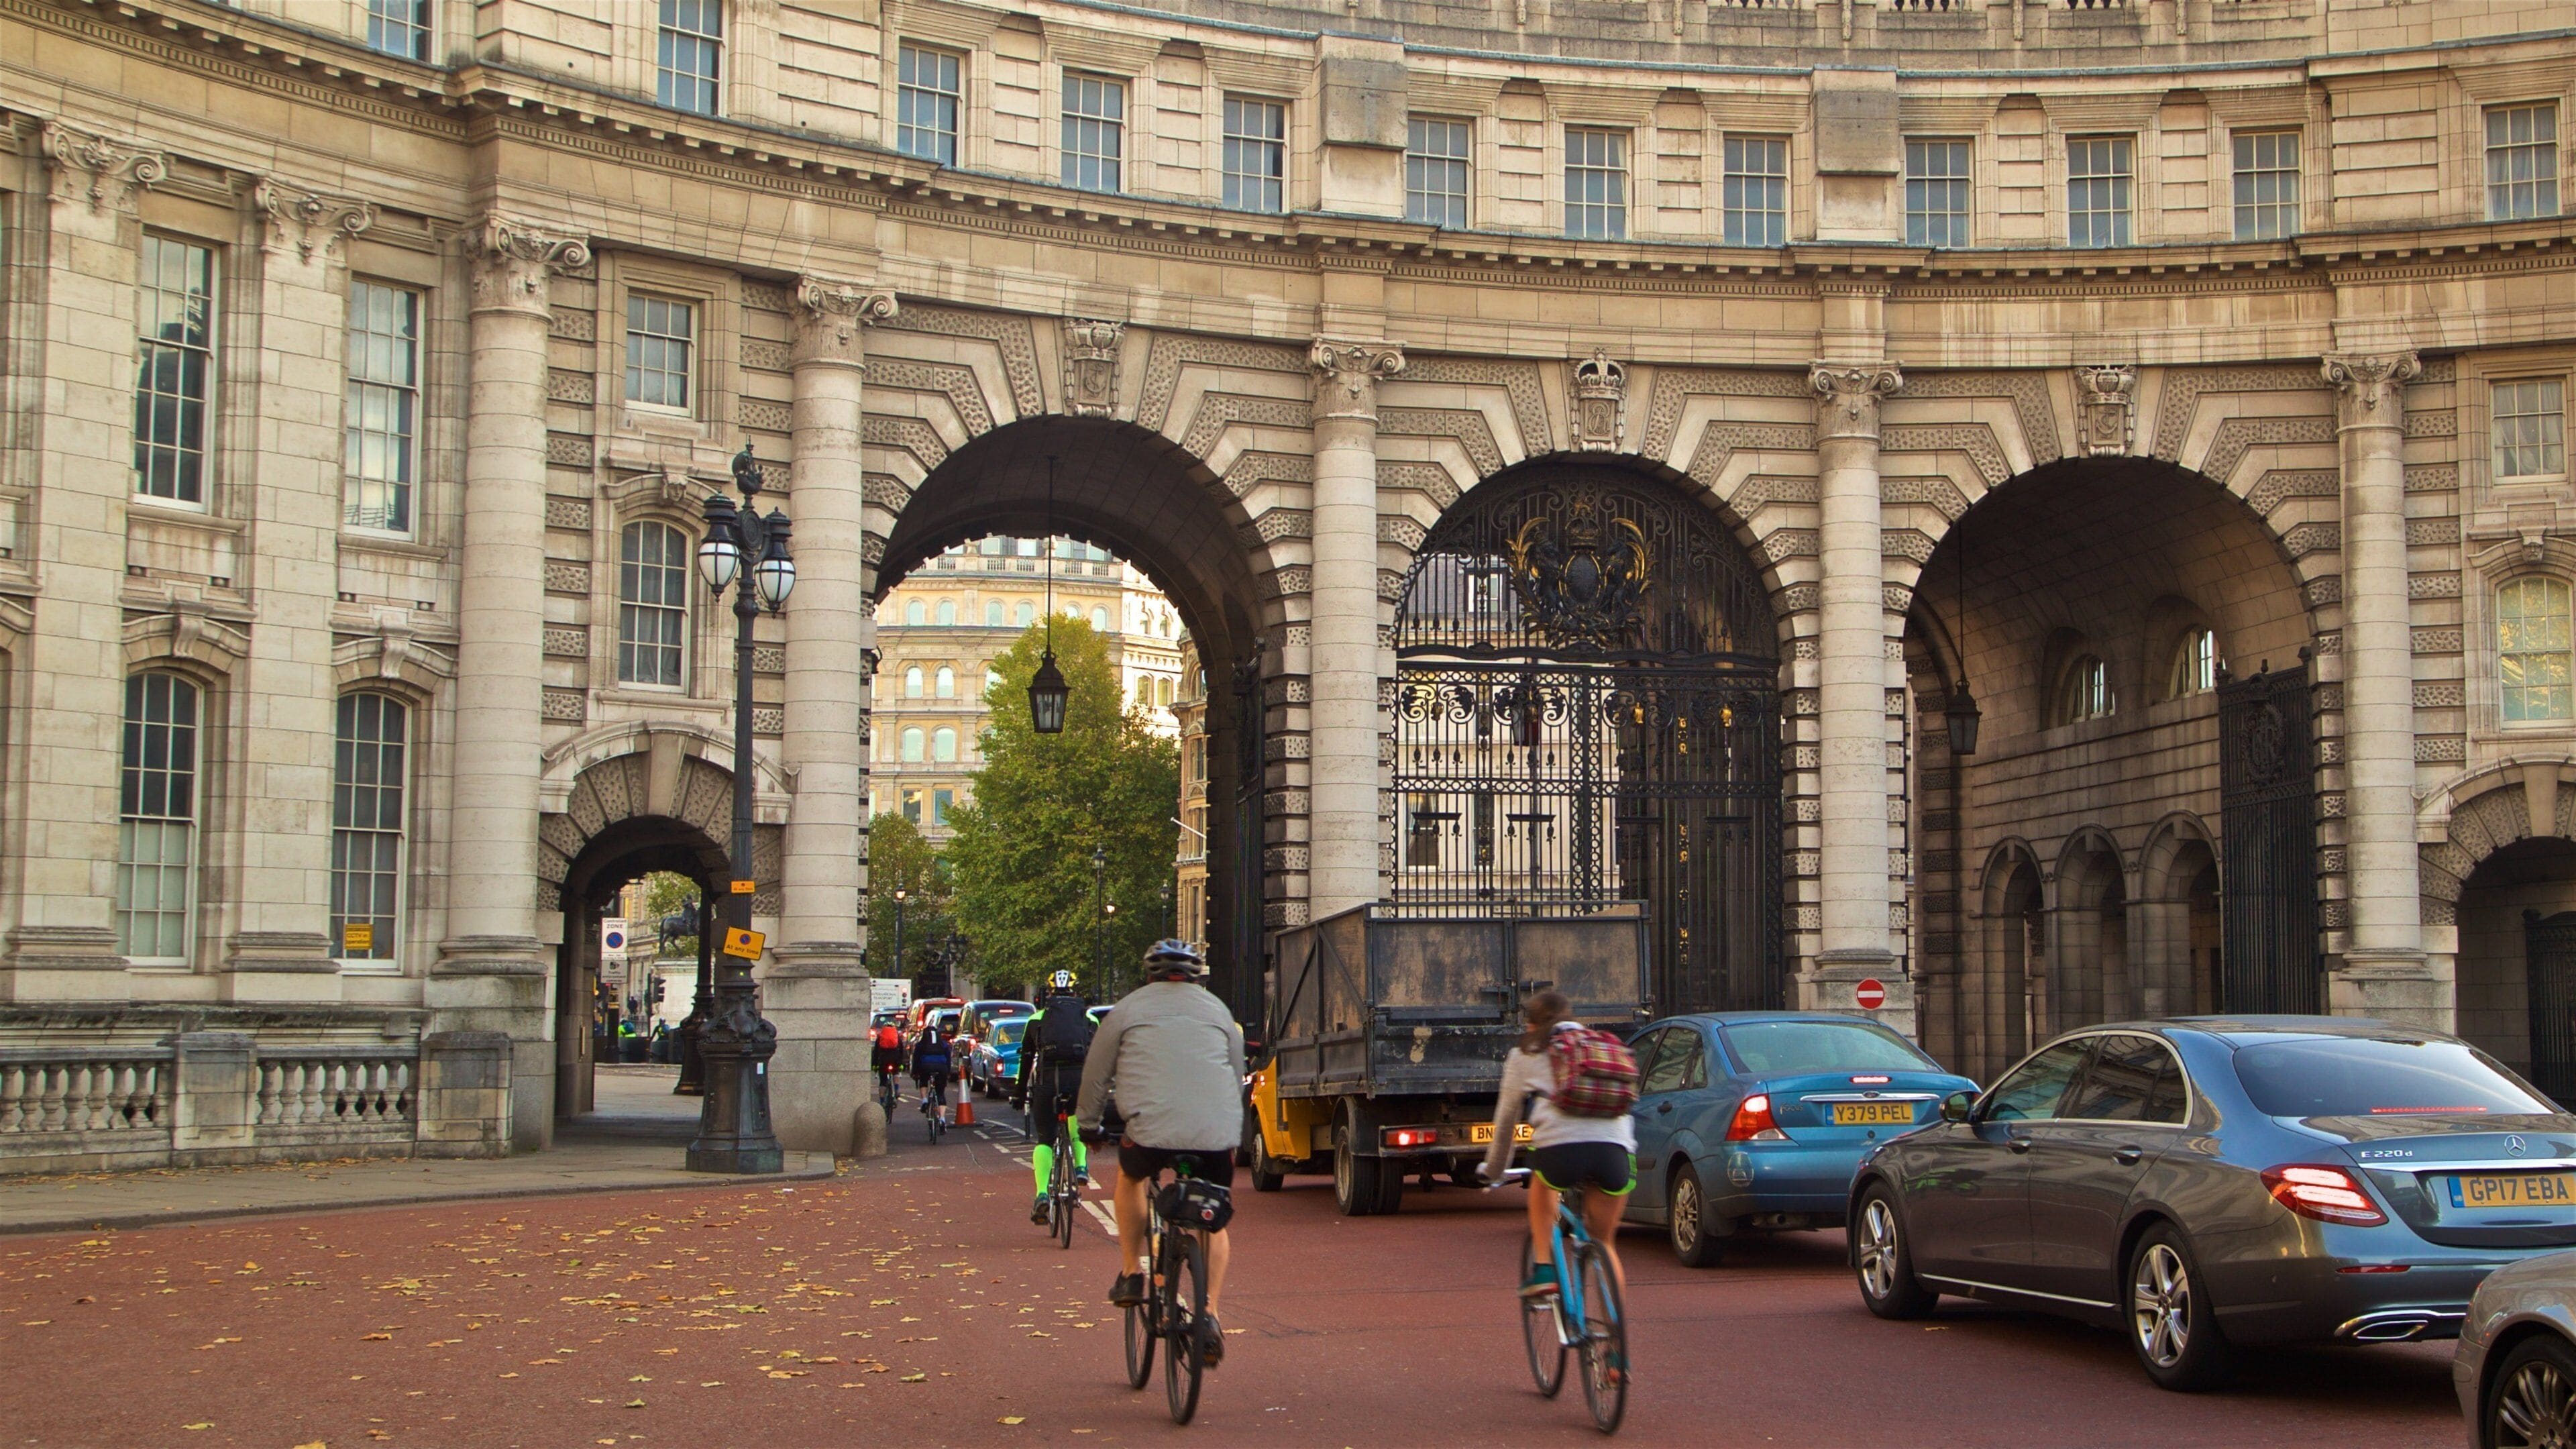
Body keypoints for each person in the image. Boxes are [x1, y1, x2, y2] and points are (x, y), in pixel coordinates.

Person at [1075, 940, 1245, 1365]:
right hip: (1214, 1134)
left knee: (1131, 1179)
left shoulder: (1127, 1010)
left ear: (1148, 976)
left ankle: (1132, 1273)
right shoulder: (1219, 1012)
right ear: (1195, 976)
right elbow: (1238, 1072)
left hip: (1150, 1133)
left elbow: (1097, 1073)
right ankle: (1209, 1315)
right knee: (1213, 1214)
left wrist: (1088, 1125)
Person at [1479, 989, 1635, 1303]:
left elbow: (1507, 1120)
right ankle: (1617, 1344)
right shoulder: (1603, 1045)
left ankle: (1545, 1270)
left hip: (1561, 1152)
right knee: (1605, 1243)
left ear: (1531, 1026)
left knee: (1543, 1182)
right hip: (1615, 1150)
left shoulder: (1525, 1054)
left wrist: (1494, 1170)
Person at [1014, 970, 1096, 1223]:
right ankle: (1081, 1166)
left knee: (1045, 1139)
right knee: (1078, 1121)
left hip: (1047, 1083)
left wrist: (1019, 1094)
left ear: (1048, 994)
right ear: (1075, 992)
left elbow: (1026, 1061)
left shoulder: (1036, 1020)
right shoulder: (1089, 1019)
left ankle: (1041, 1195)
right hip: (1079, 1081)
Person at [912, 1025, 957, 1124]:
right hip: (941, 1068)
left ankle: (924, 1100)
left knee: (923, 1081)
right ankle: (942, 1119)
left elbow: (916, 1059)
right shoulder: (943, 1044)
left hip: (926, 1066)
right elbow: (948, 1059)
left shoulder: (921, 1044)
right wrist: (948, 1072)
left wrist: (915, 1072)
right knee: (940, 1093)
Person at [871, 1018, 905, 1104]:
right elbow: (901, 1051)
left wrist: (874, 1065)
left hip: (883, 1060)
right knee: (896, 1073)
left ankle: (882, 1102)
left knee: (883, 1082)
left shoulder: (880, 1038)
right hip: (895, 1060)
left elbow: (876, 1052)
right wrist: (901, 1064)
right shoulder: (897, 1038)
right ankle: (896, 1089)